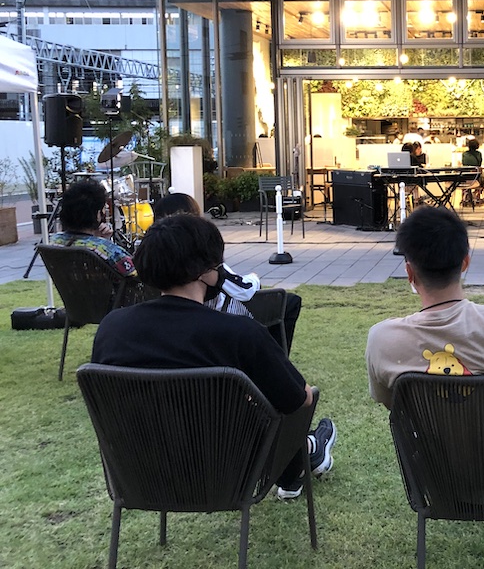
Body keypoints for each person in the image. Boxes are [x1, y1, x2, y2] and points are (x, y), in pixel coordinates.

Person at [91, 214, 336, 500]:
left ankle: (309, 450)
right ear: (206, 271)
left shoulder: (111, 329)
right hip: (228, 475)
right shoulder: (239, 333)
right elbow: (300, 399)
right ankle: (308, 451)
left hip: (139, 477)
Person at [365, 207, 484, 408]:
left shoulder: (382, 340)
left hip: (433, 431)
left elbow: (394, 405)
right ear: (465, 263)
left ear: (409, 273)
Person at [152, 192, 303, 353]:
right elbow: (242, 290)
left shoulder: (153, 253)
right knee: (288, 302)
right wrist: (254, 279)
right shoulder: (203, 257)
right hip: (211, 320)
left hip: (169, 319)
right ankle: (275, 359)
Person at [50, 179, 135, 277]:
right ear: (97, 213)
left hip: (71, 287)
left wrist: (99, 238)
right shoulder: (110, 251)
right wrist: (104, 242)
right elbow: (136, 275)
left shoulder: (54, 242)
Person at [460, 137, 484, 205]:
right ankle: (476, 194)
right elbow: (479, 164)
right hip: (476, 176)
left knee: (466, 182)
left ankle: (466, 195)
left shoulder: (464, 154)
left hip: (466, 176)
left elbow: (463, 163)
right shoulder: (479, 154)